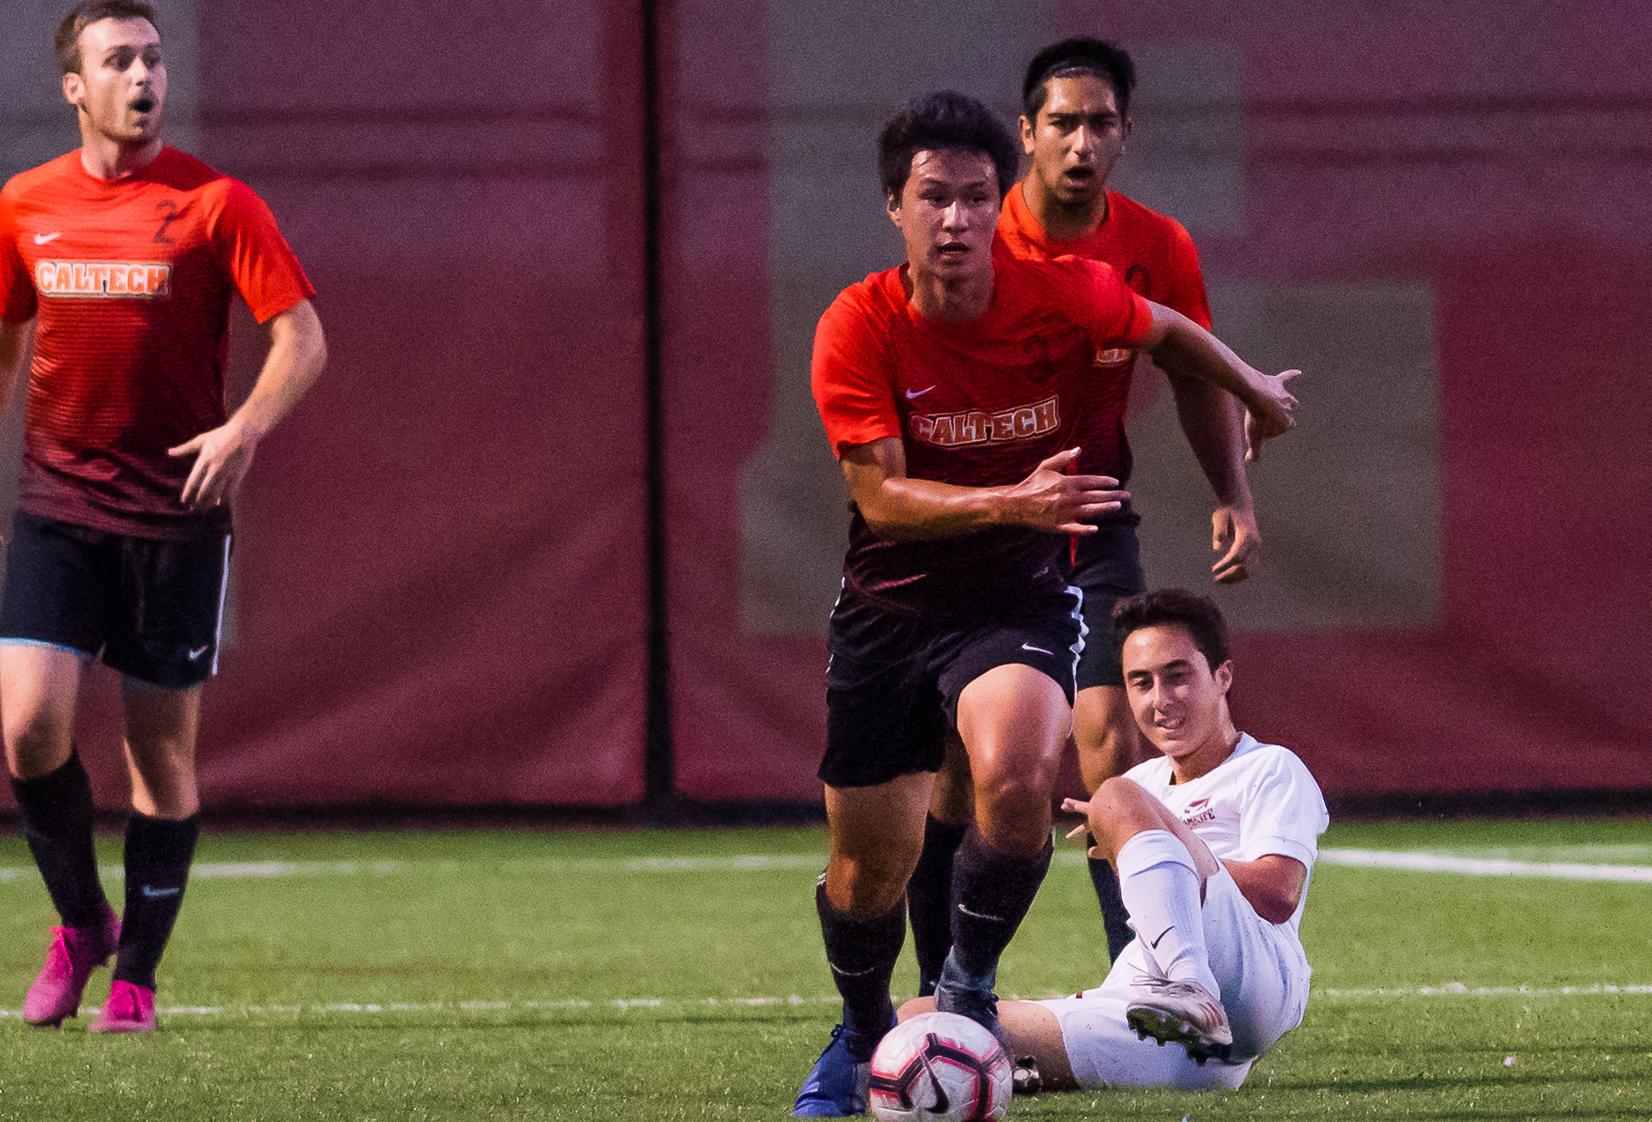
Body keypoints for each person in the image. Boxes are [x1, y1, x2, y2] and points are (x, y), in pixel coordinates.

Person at [792, 88, 1300, 1115]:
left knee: (1020, 778)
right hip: (887, 616)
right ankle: (858, 1034)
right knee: (864, 873)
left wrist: (1250, 385)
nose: (955, 220)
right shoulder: (857, 323)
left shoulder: (1059, 289)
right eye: (932, 198)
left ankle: (963, 994)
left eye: (975, 199)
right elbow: (878, 496)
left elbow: (1163, 327)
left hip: (1014, 600)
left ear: (997, 202)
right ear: (894, 207)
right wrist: (1011, 499)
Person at [0, 1, 325, 1033]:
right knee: (27, 731)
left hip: (173, 517)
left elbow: (302, 340)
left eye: (152, 58)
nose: (142, 76)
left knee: (159, 757)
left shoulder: (217, 203)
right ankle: (82, 923)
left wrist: (243, 431)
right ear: (74, 87)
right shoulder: (23, 205)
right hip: (56, 504)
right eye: (118, 60)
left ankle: (135, 976)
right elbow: (5, 345)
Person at [907, 39, 1259, 992]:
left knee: (1112, 738)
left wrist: (1233, 491)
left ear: (1124, 136)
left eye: (1100, 123)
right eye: (1062, 122)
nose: (1080, 141)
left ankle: (1135, 978)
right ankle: (945, 990)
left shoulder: (1156, 246)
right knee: (956, 767)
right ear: (1026, 133)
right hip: (981, 530)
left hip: (1095, 513)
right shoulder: (976, 236)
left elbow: (1192, 369)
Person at [900, 589, 1329, 1092]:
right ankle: (1016, 1073)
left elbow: (1278, 894)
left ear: (1222, 678)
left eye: (1177, 676)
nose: (1160, 700)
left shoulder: (1268, 767)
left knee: (1112, 794)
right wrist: (1144, 835)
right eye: (1141, 683)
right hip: (1162, 1016)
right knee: (922, 1019)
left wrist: (1162, 840)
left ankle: (1190, 988)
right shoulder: (1146, 784)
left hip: (1252, 983)